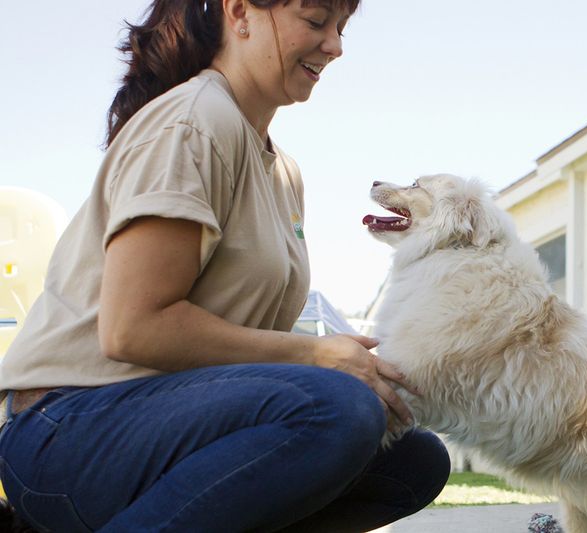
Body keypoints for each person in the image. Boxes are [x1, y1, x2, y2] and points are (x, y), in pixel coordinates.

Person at [0, 0, 450, 530]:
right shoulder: (193, 123)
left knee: (411, 462)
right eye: (315, 20)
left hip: (164, 423)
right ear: (240, 13)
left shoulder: (283, 170)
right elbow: (133, 328)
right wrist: (312, 355)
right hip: (68, 429)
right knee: (337, 409)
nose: (335, 45)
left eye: (341, 27)